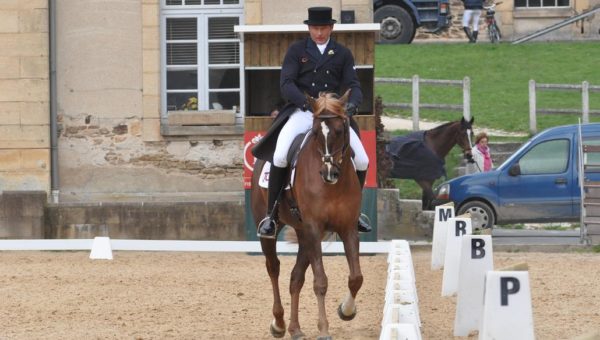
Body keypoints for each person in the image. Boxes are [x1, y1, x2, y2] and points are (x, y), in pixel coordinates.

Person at [253, 6, 371, 239]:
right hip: (303, 111)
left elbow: (353, 84)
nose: (319, 32)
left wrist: (353, 105)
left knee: (364, 159)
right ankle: (271, 214)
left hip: (333, 115)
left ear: (331, 28)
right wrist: (307, 104)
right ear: (309, 28)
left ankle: (355, 212)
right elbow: (286, 83)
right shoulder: (297, 51)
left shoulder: (342, 53)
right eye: (315, 28)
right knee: (279, 155)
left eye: (323, 28)